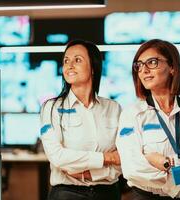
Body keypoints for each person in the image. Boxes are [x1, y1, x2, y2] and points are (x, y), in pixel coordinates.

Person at [116, 39, 180, 200]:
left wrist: (167, 163)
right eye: (139, 65)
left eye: (152, 62)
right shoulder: (132, 115)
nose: (144, 70)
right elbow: (132, 168)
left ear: (172, 67)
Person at [40, 39, 121, 200]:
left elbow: (123, 158)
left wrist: (88, 173)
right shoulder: (51, 108)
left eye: (77, 60)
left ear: (93, 67)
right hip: (67, 194)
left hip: (108, 194)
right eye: (66, 61)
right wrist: (106, 158)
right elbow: (58, 157)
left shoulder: (113, 108)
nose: (69, 65)